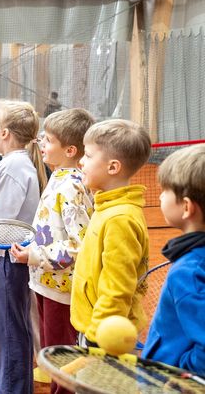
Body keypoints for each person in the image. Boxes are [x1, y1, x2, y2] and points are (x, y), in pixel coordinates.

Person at [10, 108, 95, 394]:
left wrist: (33, 256)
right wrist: (32, 249)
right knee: (51, 353)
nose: (41, 144)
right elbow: (50, 230)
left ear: (70, 149)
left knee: (62, 358)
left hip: (62, 288)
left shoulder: (72, 185)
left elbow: (78, 244)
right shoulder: (59, 177)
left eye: (48, 140)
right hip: (47, 282)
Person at [0, 100, 48, 394]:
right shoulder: (16, 164)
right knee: (10, 329)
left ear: (4, 133)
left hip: (8, 261)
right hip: (11, 260)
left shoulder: (11, 167)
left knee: (8, 332)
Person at [70, 119, 152, 349]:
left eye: (87, 155)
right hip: (95, 327)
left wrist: (98, 336)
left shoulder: (119, 219)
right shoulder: (106, 207)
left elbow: (117, 288)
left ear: (113, 167)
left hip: (106, 336)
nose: (81, 162)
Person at [142, 143, 205, 374]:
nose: (159, 195)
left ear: (186, 207)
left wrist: (179, 374)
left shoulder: (189, 272)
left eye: (165, 190)